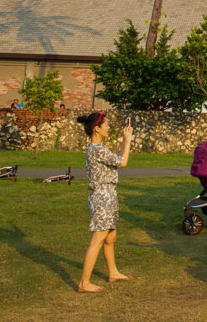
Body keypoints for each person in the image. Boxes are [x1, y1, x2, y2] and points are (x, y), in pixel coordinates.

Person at [76, 112, 132, 293]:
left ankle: (113, 272)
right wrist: (128, 140)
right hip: (102, 197)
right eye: (106, 124)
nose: (109, 127)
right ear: (97, 129)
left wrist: (124, 140)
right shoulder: (97, 149)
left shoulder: (98, 148)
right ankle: (84, 283)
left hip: (108, 194)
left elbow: (116, 159)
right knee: (98, 240)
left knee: (110, 237)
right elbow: (123, 162)